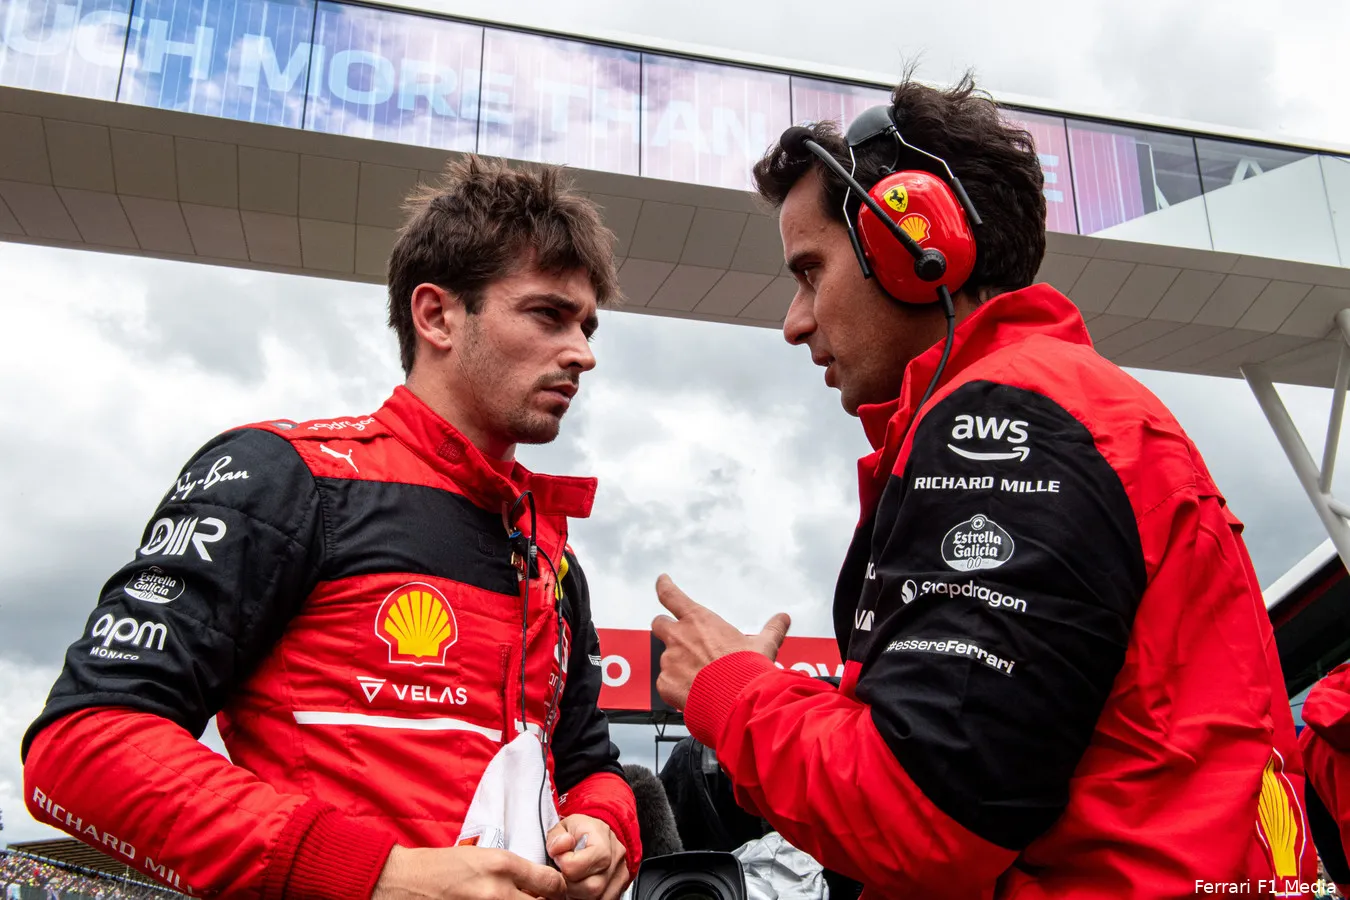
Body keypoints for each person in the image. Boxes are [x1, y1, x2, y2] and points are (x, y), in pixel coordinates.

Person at [650, 73, 1315, 897]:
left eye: (810, 272)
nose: (795, 321)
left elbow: (924, 815)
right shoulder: (1080, 409)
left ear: (912, 244)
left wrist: (731, 689)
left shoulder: (1003, 425)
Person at [22, 155, 640, 900]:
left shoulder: (550, 550)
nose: (583, 352)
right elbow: (82, 745)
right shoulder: (285, 476)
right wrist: (376, 875)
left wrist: (605, 829)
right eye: (548, 315)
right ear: (437, 315)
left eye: (587, 324)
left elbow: (585, 762)